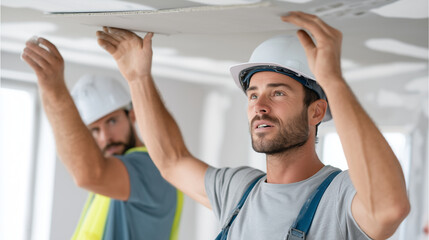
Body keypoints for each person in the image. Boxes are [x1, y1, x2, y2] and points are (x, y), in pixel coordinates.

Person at [96, 11, 410, 239]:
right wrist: (137, 78)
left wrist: (333, 81)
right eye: (253, 94)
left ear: (317, 112)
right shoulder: (239, 190)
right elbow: (171, 161)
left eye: (278, 93)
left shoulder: (340, 197)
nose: (259, 106)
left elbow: (389, 207)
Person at [21, 41, 183, 240]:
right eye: (94, 130)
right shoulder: (114, 176)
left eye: (112, 121)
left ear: (132, 116)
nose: (106, 137)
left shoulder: (152, 169)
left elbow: (88, 174)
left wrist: (53, 89)